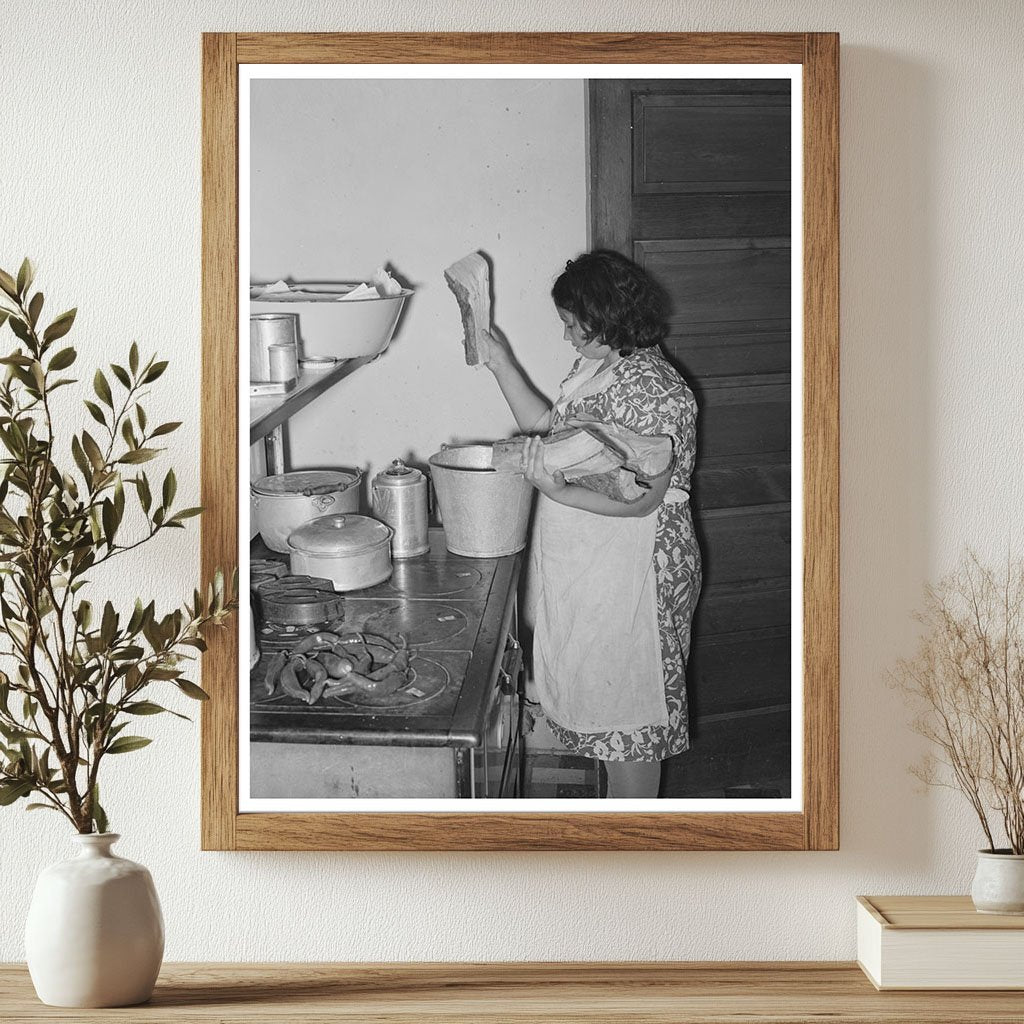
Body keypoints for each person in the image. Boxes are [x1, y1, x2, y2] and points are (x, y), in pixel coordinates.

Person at [483, 249, 701, 799]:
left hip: (640, 566)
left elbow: (643, 500)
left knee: (632, 719)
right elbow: (548, 428)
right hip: (602, 561)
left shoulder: (656, 389)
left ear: (606, 316)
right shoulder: (602, 367)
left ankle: (632, 833)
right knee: (608, 712)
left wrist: (556, 489)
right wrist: (500, 362)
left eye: (572, 324)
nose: (566, 337)